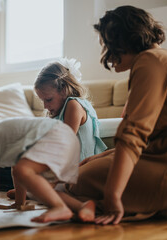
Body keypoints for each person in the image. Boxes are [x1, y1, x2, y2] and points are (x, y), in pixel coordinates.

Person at [60, 5, 167, 225]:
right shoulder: (165, 59)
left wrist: (113, 195)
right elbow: (154, 138)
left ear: (121, 40)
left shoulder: (148, 63)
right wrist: (99, 157)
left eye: (106, 43)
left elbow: (133, 136)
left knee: (77, 181)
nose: (104, 52)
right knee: (89, 165)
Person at [0, 117, 92, 223]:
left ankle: (59, 207)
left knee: (23, 170)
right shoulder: (2, 139)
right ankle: (82, 207)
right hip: (65, 137)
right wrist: (19, 202)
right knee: (39, 187)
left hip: (54, 135)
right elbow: (17, 172)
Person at [6, 58, 107, 199]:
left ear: (64, 90)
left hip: (78, 170)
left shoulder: (74, 105)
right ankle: (35, 192)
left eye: (48, 100)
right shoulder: (57, 111)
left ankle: (42, 191)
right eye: (42, 101)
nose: (45, 106)